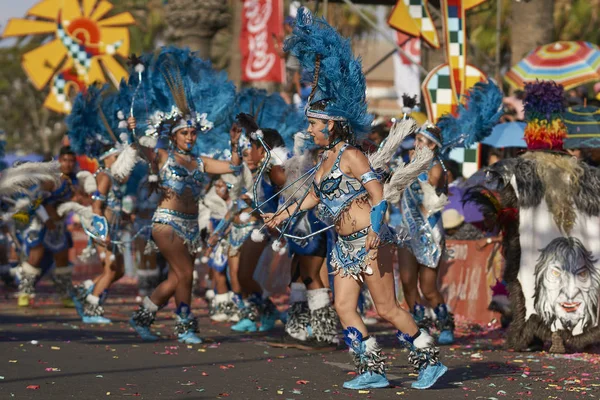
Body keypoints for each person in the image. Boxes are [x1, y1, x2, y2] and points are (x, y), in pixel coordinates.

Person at [264, 8, 447, 390]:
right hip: (343, 245)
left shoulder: (351, 154)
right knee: (344, 306)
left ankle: (428, 359)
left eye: (314, 124)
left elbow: (379, 196)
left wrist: (376, 234)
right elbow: (315, 193)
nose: (310, 130)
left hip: (369, 240)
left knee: (387, 308)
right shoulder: (325, 158)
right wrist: (281, 215)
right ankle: (373, 368)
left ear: (331, 125)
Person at [124, 47, 240, 344]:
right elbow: (140, 149)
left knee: (178, 276)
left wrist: (235, 143)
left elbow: (234, 165)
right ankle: (185, 324)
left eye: (192, 133)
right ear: (174, 135)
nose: (190, 137)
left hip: (190, 227)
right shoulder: (163, 156)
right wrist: (134, 131)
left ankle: (143, 316)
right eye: (184, 133)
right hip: (166, 224)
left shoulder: (201, 161)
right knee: (185, 272)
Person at [16, 146, 79, 307]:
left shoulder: (74, 180)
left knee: (62, 262)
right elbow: (36, 202)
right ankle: (24, 293)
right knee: (34, 259)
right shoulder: (51, 180)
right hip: (42, 225)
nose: (68, 164)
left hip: (58, 227)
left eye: (71, 161)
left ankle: (65, 295)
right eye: (65, 160)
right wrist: (47, 220)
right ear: (59, 161)